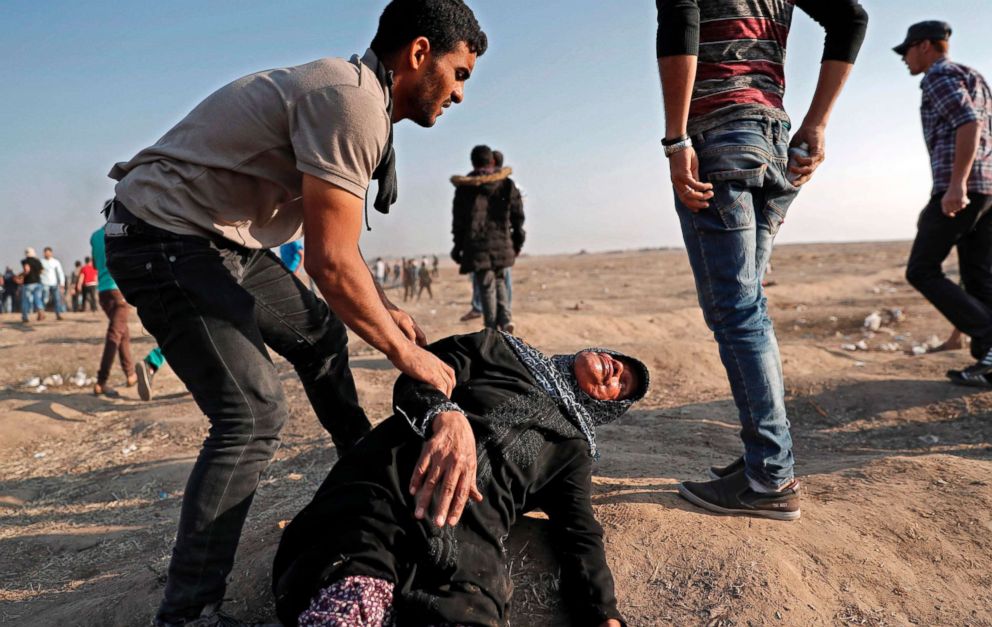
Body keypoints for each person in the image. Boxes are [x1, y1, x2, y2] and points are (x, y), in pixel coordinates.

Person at [102, 2, 488, 624]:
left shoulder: (364, 98)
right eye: (461, 72)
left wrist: (386, 308)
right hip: (163, 235)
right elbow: (329, 263)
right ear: (420, 54)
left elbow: (335, 243)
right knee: (252, 414)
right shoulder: (352, 100)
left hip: (225, 239)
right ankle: (189, 613)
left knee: (319, 336)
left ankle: (365, 473)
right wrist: (405, 352)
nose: (461, 93)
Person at [273, 329, 648, 627]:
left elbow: (579, 533)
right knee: (353, 596)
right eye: (618, 361)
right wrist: (444, 413)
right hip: (388, 492)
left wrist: (603, 614)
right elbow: (417, 377)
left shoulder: (571, 448)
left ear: (607, 406)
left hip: (465, 546)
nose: (616, 368)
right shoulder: (498, 348)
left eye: (623, 383)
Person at [656, 0, 868, 520]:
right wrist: (816, 124)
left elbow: (680, 17)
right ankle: (764, 457)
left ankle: (770, 477)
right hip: (775, 140)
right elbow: (851, 19)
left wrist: (678, 138)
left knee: (738, 312)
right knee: (748, 307)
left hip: (722, 135)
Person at [894, 22, 992, 387]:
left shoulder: (939, 75)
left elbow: (968, 124)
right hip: (987, 188)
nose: (904, 59)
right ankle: (987, 363)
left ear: (924, 46)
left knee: (921, 269)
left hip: (963, 187)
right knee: (978, 275)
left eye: (906, 50)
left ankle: (989, 336)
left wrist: (956, 185)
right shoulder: (974, 76)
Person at [450, 145, 525, 333]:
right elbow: (518, 217)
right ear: (492, 161)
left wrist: (457, 248)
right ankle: (506, 321)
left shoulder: (465, 188)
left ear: (473, 163)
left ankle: (491, 329)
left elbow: (458, 223)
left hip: (477, 247)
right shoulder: (507, 184)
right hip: (502, 244)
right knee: (499, 280)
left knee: (486, 286)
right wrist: (517, 242)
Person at [90, 225, 137, 395]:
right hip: (119, 289)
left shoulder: (95, 236)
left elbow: (95, 264)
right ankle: (101, 381)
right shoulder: (122, 231)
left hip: (103, 291)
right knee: (115, 334)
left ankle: (130, 374)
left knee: (122, 332)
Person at [19, 248, 45, 323]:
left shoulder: (25, 261)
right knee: (37, 299)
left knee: (25, 300)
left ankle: (25, 317)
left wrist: (21, 275)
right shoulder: (37, 261)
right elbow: (42, 271)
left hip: (28, 283)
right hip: (38, 282)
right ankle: (40, 310)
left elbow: (27, 270)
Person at [40, 247, 66, 320]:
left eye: (49, 252)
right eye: (46, 253)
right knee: (45, 299)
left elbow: (60, 273)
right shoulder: (41, 262)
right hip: (44, 283)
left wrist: (62, 283)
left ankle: (58, 314)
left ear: (51, 253)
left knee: (57, 299)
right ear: (44, 253)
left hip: (54, 283)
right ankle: (42, 313)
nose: (47, 254)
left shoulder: (55, 262)